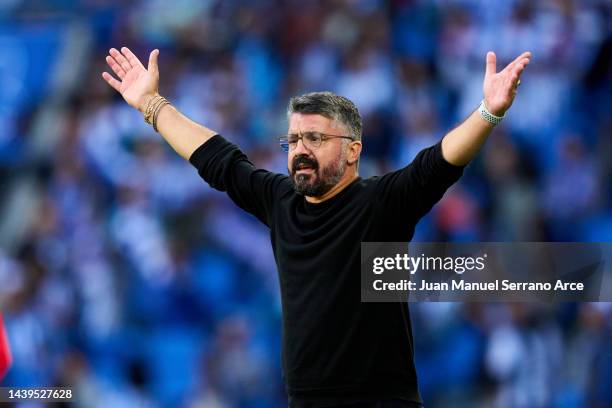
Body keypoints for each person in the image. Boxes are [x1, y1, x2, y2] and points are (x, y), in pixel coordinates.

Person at [102, 46, 530, 408]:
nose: (300, 151)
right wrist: (152, 105)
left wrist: (487, 112)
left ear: (352, 151)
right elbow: (216, 159)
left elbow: (438, 164)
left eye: (316, 140)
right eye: (293, 140)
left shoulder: (379, 203)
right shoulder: (279, 200)